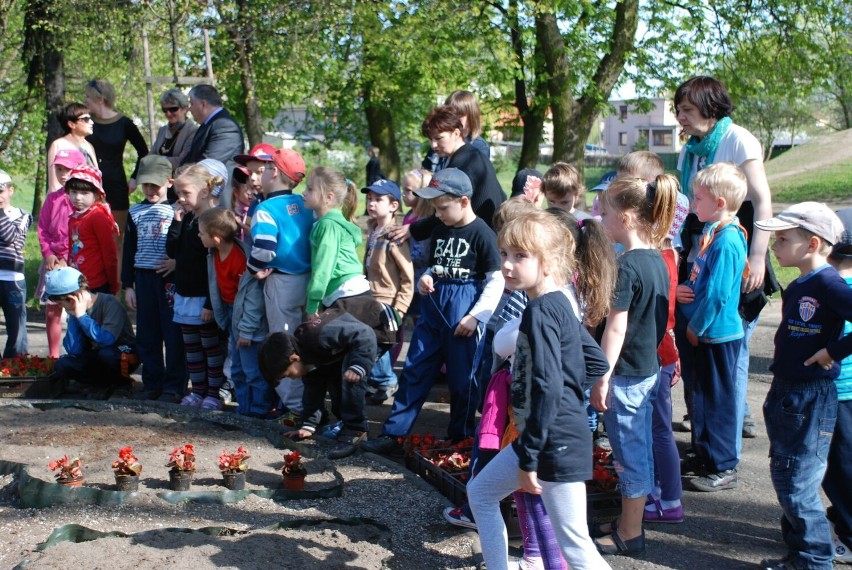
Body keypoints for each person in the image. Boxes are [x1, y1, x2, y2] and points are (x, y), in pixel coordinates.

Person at [467, 210, 611, 570]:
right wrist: (566, 402)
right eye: (505, 254)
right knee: (481, 492)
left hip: (551, 444)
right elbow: (596, 362)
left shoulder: (541, 312)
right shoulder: (561, 303)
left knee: (576, 547)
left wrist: (531, 455)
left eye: (520, 256)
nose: (507, 265)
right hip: (548, 435)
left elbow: (547, 386)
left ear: (548, 263)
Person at [362, 168, 504, 455]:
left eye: (443, 208)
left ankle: (460, 438)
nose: (437, 215)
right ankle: (394, 434)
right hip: (434, 308)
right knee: (415, 370)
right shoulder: (440, 228)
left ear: (464, 202)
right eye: (436, 209)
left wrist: (476, 316)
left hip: (464, 312)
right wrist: (426, 276)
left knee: (464, 380)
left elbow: (495, 280)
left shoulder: (482, 234)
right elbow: (435, 265)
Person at [675, 75, 778, 443]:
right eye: (678, 110)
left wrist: (759, 256)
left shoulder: (738, 139)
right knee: (721, 352)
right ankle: (733, 419)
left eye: (686, 110)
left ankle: (726, 437)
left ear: (709, 106)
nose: (680, 118)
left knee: (732, 344)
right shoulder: (692, 149)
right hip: (703, 246)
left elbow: (762, 200)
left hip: (737, 249)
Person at [753, 203, 851, 570]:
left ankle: (813, 561)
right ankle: (799, 554)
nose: (775, 246)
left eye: (783, 239)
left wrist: (832, 350)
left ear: (812, 243)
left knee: (798, 484)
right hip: (788, 391)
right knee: (787, 476)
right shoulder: (798, 285)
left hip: (811, 395)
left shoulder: (829, 283)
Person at [590, 175, 676, 556]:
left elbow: (616, 326)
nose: (600, 217)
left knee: (629, 456)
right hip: (646, 369)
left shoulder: (625, 266)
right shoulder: (656, 259)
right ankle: (628, 522)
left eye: (605, 212)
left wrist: (602, 378)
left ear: (625, 217)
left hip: (625, 375)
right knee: (633, 450)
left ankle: (630, 532)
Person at [615, 151, 688, 523]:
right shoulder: (657, 255)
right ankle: (654, 496)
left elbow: (655, 315)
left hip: (653, 357)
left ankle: (668, 500)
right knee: (648, 432)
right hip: (655, 355)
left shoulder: (654, 258)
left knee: (654, 432)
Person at [675, 162, 748, 492]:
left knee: (717, 401)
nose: (693, 203)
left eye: (698, 197)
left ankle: (723, 465)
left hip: (715, 334)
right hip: (702, 331)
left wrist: (697, 326)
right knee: (701, 397)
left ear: (720, 203)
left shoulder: (727, 240)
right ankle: (704, 455)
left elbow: (719, 294)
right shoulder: (713, 232)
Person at [245, 146, 312, 426]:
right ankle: (310, 403)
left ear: (274, 172)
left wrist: (252, 268)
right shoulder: (305, 205)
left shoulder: (266, 208)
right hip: (308, 282)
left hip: (282, 282)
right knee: (306, 344)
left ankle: (296, 408)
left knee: (283, 346)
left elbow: (264, 249)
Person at [258, 304, 378, 460]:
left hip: (375, 329)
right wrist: (309, 425)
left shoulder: (318, 337)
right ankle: (346, 424)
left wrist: (359, 365)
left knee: (351, 376)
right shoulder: (306, 355)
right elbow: (312, 392)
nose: (292, 378)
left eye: (288, 374)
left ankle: (356, 430)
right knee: (331, 383)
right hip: (352, 341)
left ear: (293, 358)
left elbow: (365, 334)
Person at [389, 105, 504, 246]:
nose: (433, 145)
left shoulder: (465, 162)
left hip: (484, 240)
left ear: (456, 133)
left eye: (438, 138)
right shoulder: (470, 155)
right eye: (430, 139)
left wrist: (412, 229)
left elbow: (449, 208)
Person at [121, 155, 186, 403]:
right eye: (145, 185)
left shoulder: (176, 210)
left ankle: (174, 385)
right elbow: (128, 249)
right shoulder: (135, 212)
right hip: (143, 277)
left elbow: (182, 243)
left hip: (169, 279)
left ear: (169, 182)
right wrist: (128, 285)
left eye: (155, 185)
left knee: (172, 332)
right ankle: (152, 382)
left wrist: (177, 264)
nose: (149, 190)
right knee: (147, 334)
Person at [166, 164, 225, 410]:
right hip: (185, 295)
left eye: (185, 193)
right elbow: (173, 252)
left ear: (204, 192)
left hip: (204, 298)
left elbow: (217, 267)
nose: (180, 199)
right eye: (178, 194)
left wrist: (211, 302)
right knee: (192, 349)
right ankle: (198, 391)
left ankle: (213, 393)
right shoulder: (188, 218)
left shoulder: (214, 220)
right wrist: (176, 223)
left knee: (210, 349)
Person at [199, 208, 267, 417]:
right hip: (231, 314)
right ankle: (245, 411)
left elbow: (253, 299)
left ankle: (259, 411)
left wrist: (246, 331)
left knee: (251, 370)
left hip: (246, 320)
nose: (198, 236)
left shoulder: (240, 260)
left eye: (201, 233)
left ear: (216, 239)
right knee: (236, 368)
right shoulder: (214, 254)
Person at [84, 79, 149, 267]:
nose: (85, 100)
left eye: (88, 96)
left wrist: (135, 177)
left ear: (100, 98)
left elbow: (143, 152)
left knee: (117, 239)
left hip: (117, 185)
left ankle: (117, 287)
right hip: (89, 185)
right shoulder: (86, 122)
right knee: (90, 236)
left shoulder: (124, 123)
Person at [46, 267, 137, 400]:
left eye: (61, 303)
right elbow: (74, 350)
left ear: (72, 298)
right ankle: (101, 385)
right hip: (98, 356)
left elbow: (106, 340)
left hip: (122, 354)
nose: (61, 307)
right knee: (63, 364)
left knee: (107, 354)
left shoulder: (110, 303)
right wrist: (75, 318)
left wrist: (82, 316)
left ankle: (122, 385)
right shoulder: (76, 311)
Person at [362, 179, 413, 404]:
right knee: (373, 342)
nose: (372, 204)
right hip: (370, 297)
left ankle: (386, 380)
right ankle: (378, 382)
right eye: (369, 199)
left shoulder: (394, 236)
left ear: (393, 205)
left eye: (378, 200)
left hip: (388, 300)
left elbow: (407, 276)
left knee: (379, 343)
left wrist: (400, 307)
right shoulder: (373, 230)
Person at [302, 167, 370, 318]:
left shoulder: (328, 226)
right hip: (349, 295)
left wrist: (313, 305)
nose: (303, 192)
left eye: (310, 189)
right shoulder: (330, 223)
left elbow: (323, 267)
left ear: (329, 197)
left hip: (347, 297)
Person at [38, 149, 84, 358]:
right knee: (52, 309)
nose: (63, 173)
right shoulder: (52, 199)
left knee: (79, 309)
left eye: (68, 168)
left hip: (76, 262)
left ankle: (81, 356)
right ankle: (54, 357)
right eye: (59, 169)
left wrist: (67, 257)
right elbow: (43, 229)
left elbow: (79, 232)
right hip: (53, 263)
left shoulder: (81, 200)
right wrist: (48, 253)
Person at [825, 207, 852, 564]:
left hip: (839, 390)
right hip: (842, 390)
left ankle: (847, 537)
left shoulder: (834, 291)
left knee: (841, 466)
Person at [180, 84, 245, 208]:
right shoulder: (207, 125)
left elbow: (208, 164)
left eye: (192, 104)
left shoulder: (225, 125)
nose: (189, 109)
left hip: (217, 203)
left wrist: (182, 179)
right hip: (204, 199)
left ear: (203, 104)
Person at [66, 166, 119, 295]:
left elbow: (109, 253)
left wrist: (113, 284)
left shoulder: (98, 217)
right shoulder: (74, 217)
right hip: (77, 281)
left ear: (96, 194)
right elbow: (71, 249)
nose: (78, 197)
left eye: (84, 193)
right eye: (73, 192)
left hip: (97, 285)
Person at [0, 170, 32, 358]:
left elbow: (11, 237)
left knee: (16, 326)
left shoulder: (22, 215)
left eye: (0, 191)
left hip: (13, 280)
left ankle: (14, 367)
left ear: (10, 190)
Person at [422, 89, 490, 172]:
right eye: (448, 115)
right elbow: (425, 170)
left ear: (472, 117)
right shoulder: (438, 142)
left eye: (459, 115)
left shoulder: (479, 147)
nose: (453, 119)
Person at [401, 168, 435, 324]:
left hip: (419, 278)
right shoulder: (409, 215)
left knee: (420, 320)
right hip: (407, 277)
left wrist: (400, 257)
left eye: (408, 191)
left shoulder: (425, 221)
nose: (403, 194)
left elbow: (422, 251)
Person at [46, 103, 98, 193]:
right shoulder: (59, 145)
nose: (91, 122)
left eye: (90, 119)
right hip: (65, 203)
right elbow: (54, 185)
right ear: (71, 124)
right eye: (85, 119)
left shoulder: (89, 147)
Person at [151, 88, 198, 173]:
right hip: (160, 182)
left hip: (179, 181)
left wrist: (158, 160)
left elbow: (184, 161)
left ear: (184, 109)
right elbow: (151, 156)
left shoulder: (193, 131)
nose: (168, 113)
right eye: (165, 110)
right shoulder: (162, 130)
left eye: (173, 109)